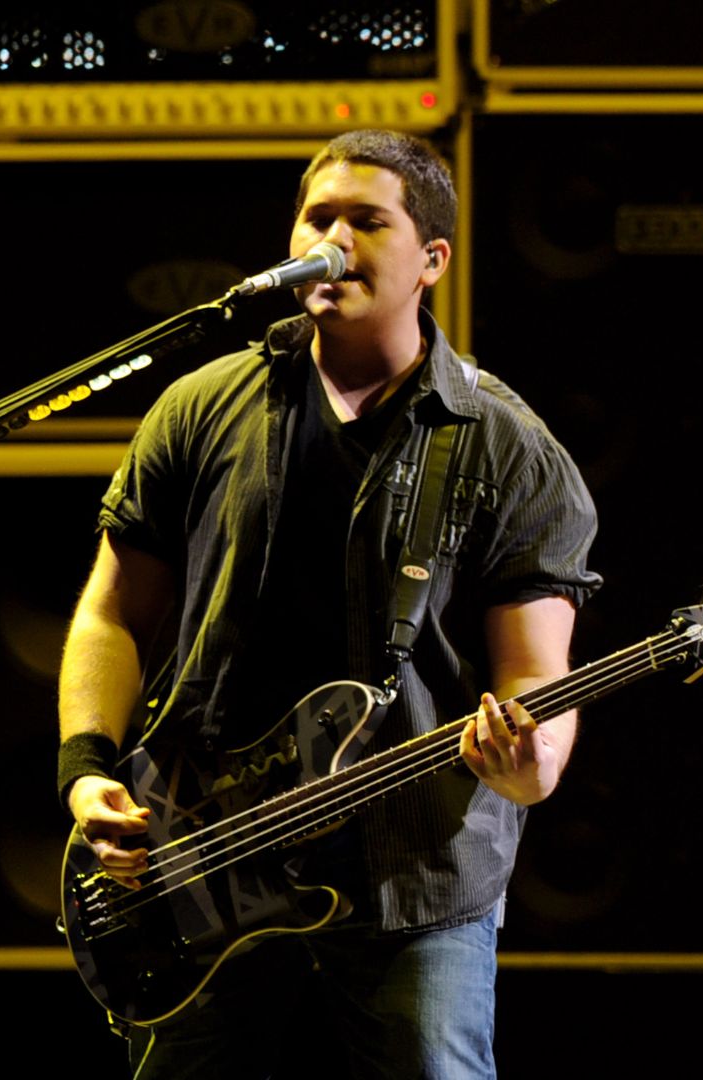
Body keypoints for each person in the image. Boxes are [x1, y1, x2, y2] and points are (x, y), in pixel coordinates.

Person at [55, 129, 599, 1078]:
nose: (335, 238)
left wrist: (529, 764)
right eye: (319, 218)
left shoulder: (508, 447)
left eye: (368, 221)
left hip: (411, 879)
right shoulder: (200, 406)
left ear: (432, 260)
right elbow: (110, 612)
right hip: (203, 854)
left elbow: (537, 677)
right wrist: (85, 768)